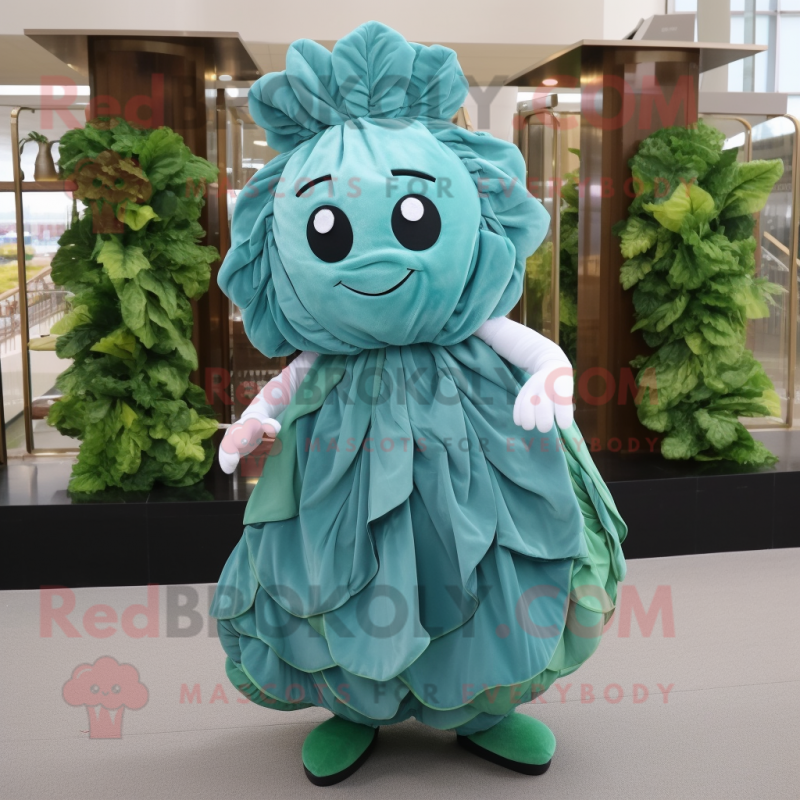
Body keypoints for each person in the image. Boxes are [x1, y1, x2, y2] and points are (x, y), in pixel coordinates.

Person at [211, 21, 627, 786]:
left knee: (484, 565)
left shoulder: (471, 324)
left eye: (414, 218)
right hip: (339, 465)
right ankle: (355, 701)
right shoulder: (333, 353)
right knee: (340, 571)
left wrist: (551, 373)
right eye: (328, 232)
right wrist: (254, 418)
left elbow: (533, 347)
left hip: (478, 453)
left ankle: (483, 703)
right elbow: (297, 374)